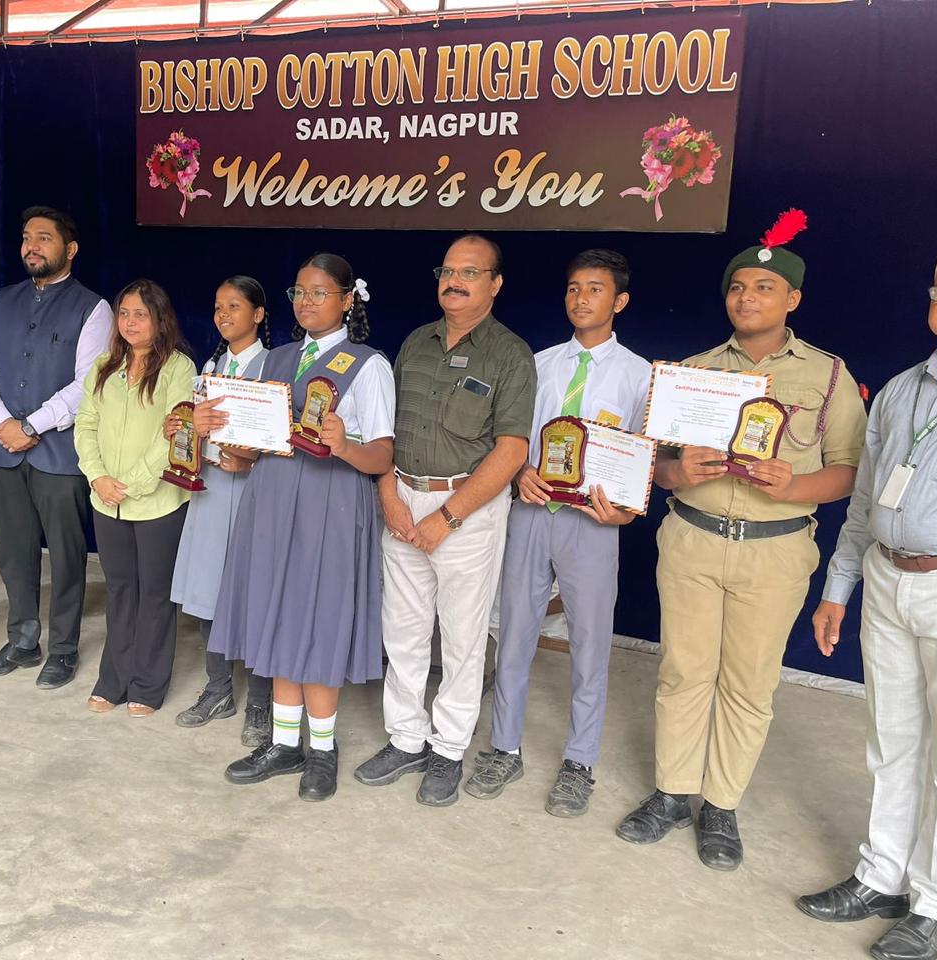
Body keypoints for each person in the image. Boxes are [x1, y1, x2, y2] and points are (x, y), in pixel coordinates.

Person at [615, 211, 868, 870]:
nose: (747, 299)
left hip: (776, 547)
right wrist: (677, 471)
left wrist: (792, 485)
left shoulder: (829, 376)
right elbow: (655, 466)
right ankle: (672, 793)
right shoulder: (692, 372)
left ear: (792, 299)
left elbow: (849, 472)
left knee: (749, 684)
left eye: (763, 288)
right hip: (694, 539)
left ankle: (720, 805)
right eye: (737, 288)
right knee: (682, 672)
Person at [796, 236, 937, 960]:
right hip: (889, 581)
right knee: (891, 742)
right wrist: (839, 587)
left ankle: (936, 904)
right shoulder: (900, 390)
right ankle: (880, 876)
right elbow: (864, 504)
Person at [464, 249, 651, 817]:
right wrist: (519, 473)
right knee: (515, 631)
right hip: (531, 511)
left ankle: (579, 760)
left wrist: (625, 510)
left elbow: (643, 457)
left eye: (594, 289)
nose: (580, 298)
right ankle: (504, 746)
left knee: (590, 642)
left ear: (618, 301)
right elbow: (511, 436)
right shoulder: (537, 364)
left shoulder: (640, 375)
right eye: (572, 288)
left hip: (593, 524)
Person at [354, 234, 536, 807]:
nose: (454, 281)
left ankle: (448, 750)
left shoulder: (510, 354)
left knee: (461, 638)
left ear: (495, 284)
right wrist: (388, 492)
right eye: (447, 271)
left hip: (468, 511)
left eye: (470, 272)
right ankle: (405, 739)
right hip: (404, 499)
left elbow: (510, 452)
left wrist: (448, 518)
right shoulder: (415, 343)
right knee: (402, 634)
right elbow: (385, 430)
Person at [208, 253, 395, 801]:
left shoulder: (368, 365)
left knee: (320, 620)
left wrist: (344, 445)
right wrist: (223, 435)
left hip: (330, 500)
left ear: (347, 300)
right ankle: (285, 746)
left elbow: (382, 455)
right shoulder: (276, 359)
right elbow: (251, 446)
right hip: (270, 497)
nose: (307, 301)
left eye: (320, 293)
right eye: (300, 291)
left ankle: (323, 750)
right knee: (277, 614)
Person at [0, 206, 112, 689]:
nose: (32, 246)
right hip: (1, 449)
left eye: (44, 238)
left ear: (69, 249)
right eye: (28, 237)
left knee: (68, 555)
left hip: (58, 454)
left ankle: (64, 649)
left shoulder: (94, 308)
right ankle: (22, 642)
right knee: (13, 552)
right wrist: (4, 423)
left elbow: (87, 383)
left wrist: (31, 424)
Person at [74, 278, 195, 716]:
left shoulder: (179, 368)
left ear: (160, 320)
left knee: (156, 594)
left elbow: (178, 430)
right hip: (106, 498)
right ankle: (113, 679)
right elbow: (85, 424)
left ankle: (147, 685)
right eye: (123, 313)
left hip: (158, 501)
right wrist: (98, 477)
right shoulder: (104, 365)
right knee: (120, 591)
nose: (129, 322)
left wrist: (134, 483)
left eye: (139, 314)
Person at [168, 275, 274, 746]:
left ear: (259, 314)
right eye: (217, 307)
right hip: (210, 486)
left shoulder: (274, 367)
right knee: (208, 587)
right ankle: (218, 689)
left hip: (254, 492)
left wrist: (251, 453)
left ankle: (260, 705)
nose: (224, 315)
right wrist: (181, 423)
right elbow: (191, 428)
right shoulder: (209, 368)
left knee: (256, 596)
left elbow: (284, 439)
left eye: (235, 306)